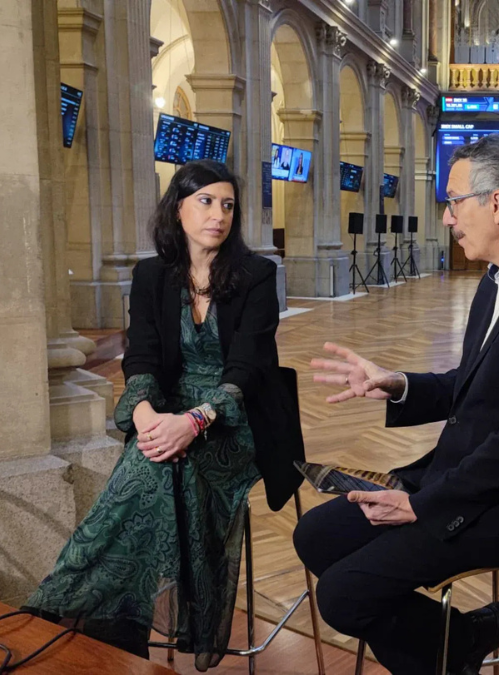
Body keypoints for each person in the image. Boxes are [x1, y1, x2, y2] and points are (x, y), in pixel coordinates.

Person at [294, 134, 499, 675]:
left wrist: (424, 504)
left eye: (454, 200)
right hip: (470, 475)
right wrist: (397, 384)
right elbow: (476, 382)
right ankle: (460, 641)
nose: (446, 216)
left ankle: (457, 644)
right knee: (315, 535)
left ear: (497, 203)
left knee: (345, 595)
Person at [23, 160, 302, 671]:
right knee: (157, 461)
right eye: (205, 201)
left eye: (227, 205)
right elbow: (142, 355)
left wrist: (192, 421)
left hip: (238, 417)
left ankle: (80, 604)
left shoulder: (257, 274)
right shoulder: (152, 274)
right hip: (167, 410)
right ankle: (124, 620)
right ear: (178, 208)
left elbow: (248, 367)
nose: (218, 214)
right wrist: (149, 413)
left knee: (165, 464)